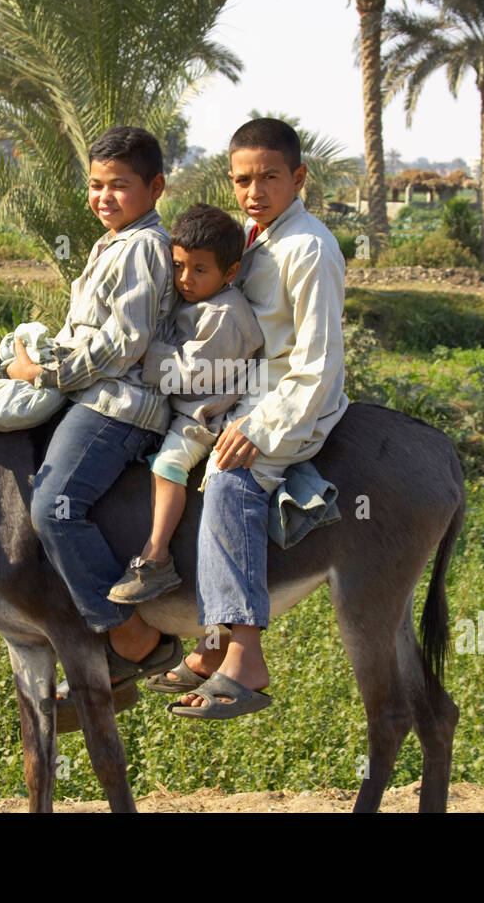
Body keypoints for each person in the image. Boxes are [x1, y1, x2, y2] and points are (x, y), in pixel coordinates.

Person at [0, 125, 182, 687]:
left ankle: (129, 636)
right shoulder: (110, 243)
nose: (104, 197)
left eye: (120, 186)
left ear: (155, 187)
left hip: (119, 405)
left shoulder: (142, 247)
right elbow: (82, 332)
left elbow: (122, 343)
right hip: (91, 392)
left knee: (53, 507)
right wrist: (5, 357)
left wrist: (43, 372)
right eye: (95, 185)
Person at [154, 117, 349, 719]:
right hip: (241, 390)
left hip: (293, 400)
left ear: (298, 178)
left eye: (268, 177)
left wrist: (258, 428)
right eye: (242, 179)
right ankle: (208, 643)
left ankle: (245, 653)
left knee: (230, 480)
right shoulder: (252, 236)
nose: (254, 191)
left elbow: (317, 365)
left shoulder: (310, 247)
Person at [108, 203, 264, 604]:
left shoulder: (227, 315)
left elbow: (193, 373)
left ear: (229, 272)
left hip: (202, 415)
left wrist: (144, 355)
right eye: (178, 266)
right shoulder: (195, 302)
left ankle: (156, 556)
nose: (184, 279)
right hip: (177, 404)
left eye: (199, 270)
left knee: (167, 466)